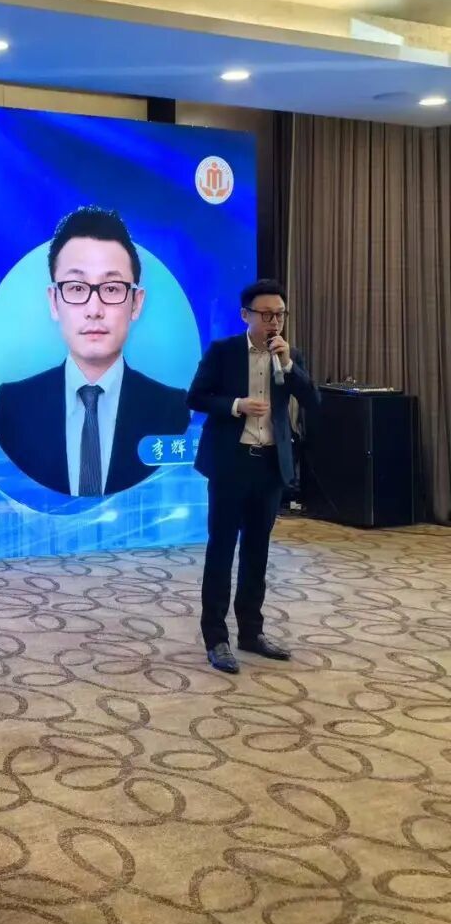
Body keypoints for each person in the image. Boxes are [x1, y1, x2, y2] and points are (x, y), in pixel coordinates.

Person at [0, 206, 189, 496]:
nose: (94, 310)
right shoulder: (14, 406)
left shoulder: (173, 410)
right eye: (76, 288)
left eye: (111, 289)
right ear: (54, 301)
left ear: (136, 303)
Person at [188, 278, 320, 673]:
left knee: (257, 551)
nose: (274, 322)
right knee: (222, 549)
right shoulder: (224, 351)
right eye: (266, 315)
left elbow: (312, 400)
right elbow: (196, 396)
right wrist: (236, 405)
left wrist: (289, 366)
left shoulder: (289, 355)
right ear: (246, 315)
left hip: (269, 466)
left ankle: (251, 631)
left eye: (279, 314)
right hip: (231, 464)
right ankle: (216, 637)